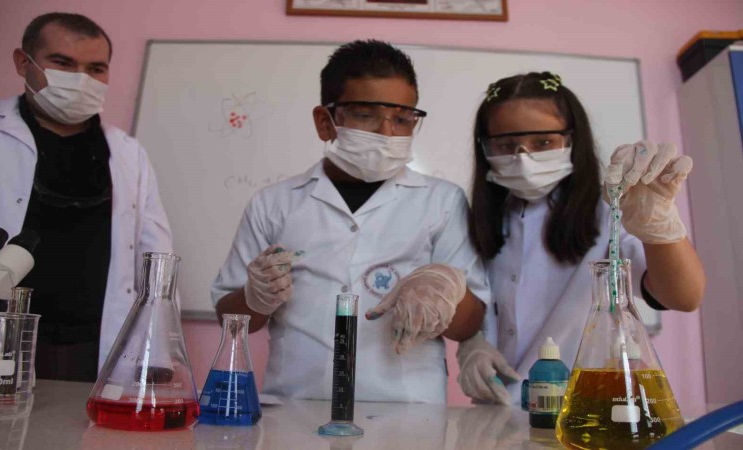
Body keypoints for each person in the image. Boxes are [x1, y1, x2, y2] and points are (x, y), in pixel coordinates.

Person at [212, 40, 490, 404]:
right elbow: (229, 317)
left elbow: (470, 324)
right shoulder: (274, 204)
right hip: (296, 404)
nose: (387, 132)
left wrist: (446, 289)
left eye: (402, 118)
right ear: (325, 122)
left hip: (410, 410)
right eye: (365, 115)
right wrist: (255, 296)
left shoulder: (442, 201)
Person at [456, 72, 706, 404]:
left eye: (543, 143)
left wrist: (659, 225)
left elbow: (684, 297)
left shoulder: (613, 208)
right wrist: (471, 343)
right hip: (498, 410)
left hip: (589, 408)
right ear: (484, 147)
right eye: (505, 145)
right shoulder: (481, 220)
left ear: (574, 139)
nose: (523, 158)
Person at [0, 13, 174, 381]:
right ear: (23, 63)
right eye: (63, 63)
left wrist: (159, 355)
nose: (81, 79)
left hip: (94, 347)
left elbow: (156, 259)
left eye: (95, 69)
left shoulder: (128, 154)